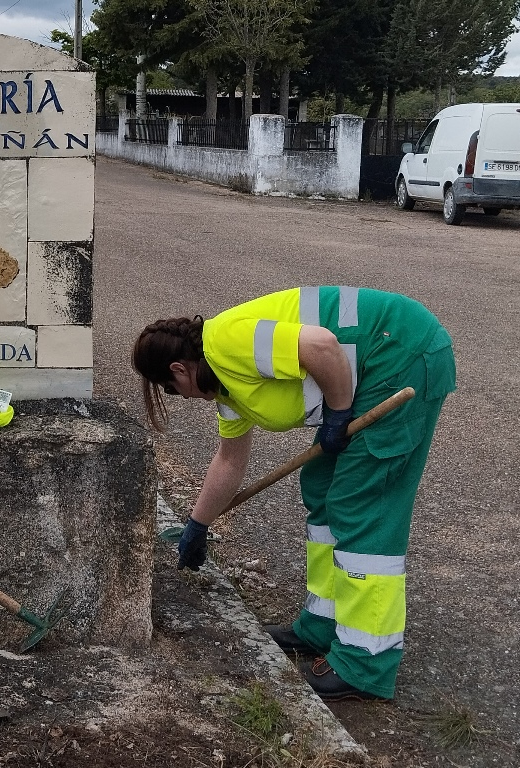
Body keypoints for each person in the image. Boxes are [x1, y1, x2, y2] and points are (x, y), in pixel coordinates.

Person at [131, 287, 455, 702]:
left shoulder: (227, 343)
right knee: (321, 486)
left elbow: (320, 345)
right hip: (373, 364)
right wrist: (198, 525)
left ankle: (366, 660)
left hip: (399, 352)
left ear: (179, 367)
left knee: (361, 503)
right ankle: (323, 622)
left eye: (172, 389)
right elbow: (229, 462)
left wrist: (339, 413)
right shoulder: (225, 387)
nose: (181, 398)